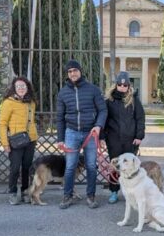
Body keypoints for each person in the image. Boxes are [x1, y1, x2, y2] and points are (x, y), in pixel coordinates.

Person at [56, 60, 107, 209]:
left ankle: (91, 196)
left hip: (90, 133)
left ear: (80, 71)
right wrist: (60, 139)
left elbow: (102, 110)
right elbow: (60, 117)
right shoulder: (63, 92)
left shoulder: (93, 89)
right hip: (71, 132)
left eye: (75, 70)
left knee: (91, 166)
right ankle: (67, 196)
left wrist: (98, 127)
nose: (73, 73)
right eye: (70, 71)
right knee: (70, 166)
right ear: (67, 74)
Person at [102, 72, 145, 204]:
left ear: (128, 86)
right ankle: (114, 191)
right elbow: (104, 119)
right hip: (113, 139)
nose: (122, 87)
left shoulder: (134, 100)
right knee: (115, 166)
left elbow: (140, 119)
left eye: (124, 85)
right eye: (119, 84)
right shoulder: (109, 101)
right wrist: (102, 137)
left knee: (130, 167)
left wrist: (139, 136)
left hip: (130, 139)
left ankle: (131, 193)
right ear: (116, 85)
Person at [0, 77, 39, 205]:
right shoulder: (8, 103)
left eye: (23, 86)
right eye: (18, 86)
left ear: (27, 88)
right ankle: (12, 192)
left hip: (30, 140)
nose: (21, 88)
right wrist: (5, 143)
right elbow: (2, 124)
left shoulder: (31, 102)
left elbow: (31, 121)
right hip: (16, 141)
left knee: (27, 167)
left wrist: (34, 136)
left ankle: (26, 191)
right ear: (14, 88)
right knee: (15, 168)